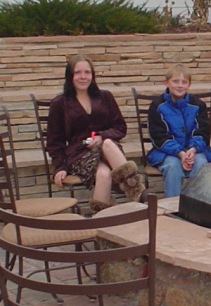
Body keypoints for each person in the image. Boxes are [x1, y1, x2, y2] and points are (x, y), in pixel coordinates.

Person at [47, 54, 144, 213]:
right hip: (79, 154)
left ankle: (101, 223)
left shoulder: (105, 96)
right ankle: (137, 192)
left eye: (87, 72)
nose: (83, 77)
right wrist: (60, 167)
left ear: (92, 75)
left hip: (107, 150)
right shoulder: (60, 103)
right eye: (78, 72)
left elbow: (120, 128)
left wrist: (101, 136)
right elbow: (54, 141)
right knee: (105, 163)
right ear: (70, 76)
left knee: (105, 170)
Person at [146, 63, 211, 197]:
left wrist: (192, 149)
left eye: (184, 82)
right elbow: (158, 136)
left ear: (189, 85)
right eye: (175, 81)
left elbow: (203, 132)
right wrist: (180, 153)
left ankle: (199, 206)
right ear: (166, 83)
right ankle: (172, 208)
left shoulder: (198, 105)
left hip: (194, 150)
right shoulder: (157, 106)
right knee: (173, 166)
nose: (180, 85)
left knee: (201, 163)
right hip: (166, 152)